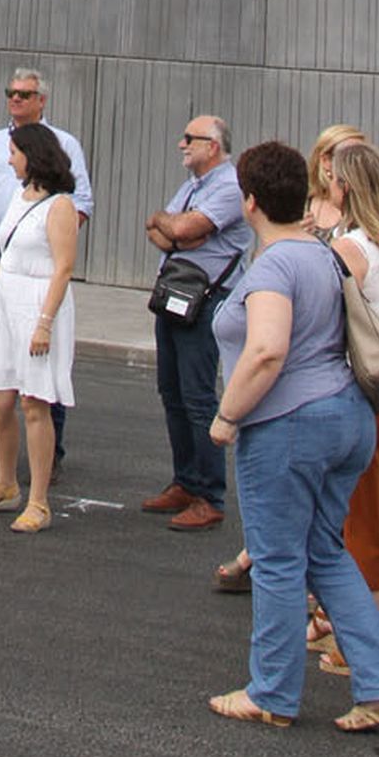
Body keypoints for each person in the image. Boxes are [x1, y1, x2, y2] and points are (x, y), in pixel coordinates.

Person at [207, 138, 379, 731]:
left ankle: (271, 691)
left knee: (276, 560)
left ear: (249, 202)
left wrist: (227, 415)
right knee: (326, 550)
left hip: (288, 423)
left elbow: (267, 350)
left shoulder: (275, 264)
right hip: (345, 415)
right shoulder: (323, 253)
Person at [0, 67, 92, 475]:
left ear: (41, 100)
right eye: (11, 92)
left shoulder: (62, 144)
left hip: (40, 269)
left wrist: (51, 239)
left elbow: (81, 201)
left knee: (39, 379)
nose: (16, 99)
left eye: (25, 93)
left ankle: (48, 456)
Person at [319, 139, 379, 663]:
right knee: (367, 510)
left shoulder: (349, 250)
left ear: (346, 187)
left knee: (359, 519)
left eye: (333, 177)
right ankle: (341, 618)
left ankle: (370, 636)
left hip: (365, 391)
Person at [0, 121, 78, 532]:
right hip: (10, 296)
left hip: (39, 302)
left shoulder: (60, 206)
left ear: (33, 155)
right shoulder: (19, 196)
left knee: (35, 402)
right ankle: (5, 484)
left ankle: (39, 501)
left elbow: (64, 267)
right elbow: (9, 246)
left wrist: (45, 322)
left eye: (14, 152)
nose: (9, 159)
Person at [143, 114, 249, 530]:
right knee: (171, 391)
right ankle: (185, 481)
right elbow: (160, 229)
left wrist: (179, 229)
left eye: (191, 138)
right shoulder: (193, 186)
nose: (182, 144)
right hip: (174, 295)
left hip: (206, 301)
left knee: (198, 396)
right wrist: (175, 229)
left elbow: (185, 227)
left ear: (214, 146)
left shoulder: (229, 186)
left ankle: (210, 494)